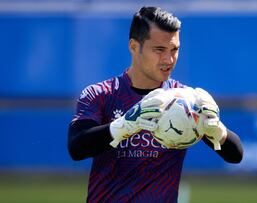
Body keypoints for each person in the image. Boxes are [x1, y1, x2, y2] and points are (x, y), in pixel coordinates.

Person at [68, 6, 243, 203]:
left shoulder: (185, 100)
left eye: (174, 50)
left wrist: (217, 130)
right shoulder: (100, 94)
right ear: (134, 46)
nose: (168, 59)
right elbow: (77, 147)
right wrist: (124, 125)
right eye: (159, 50)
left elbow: (235, 155)